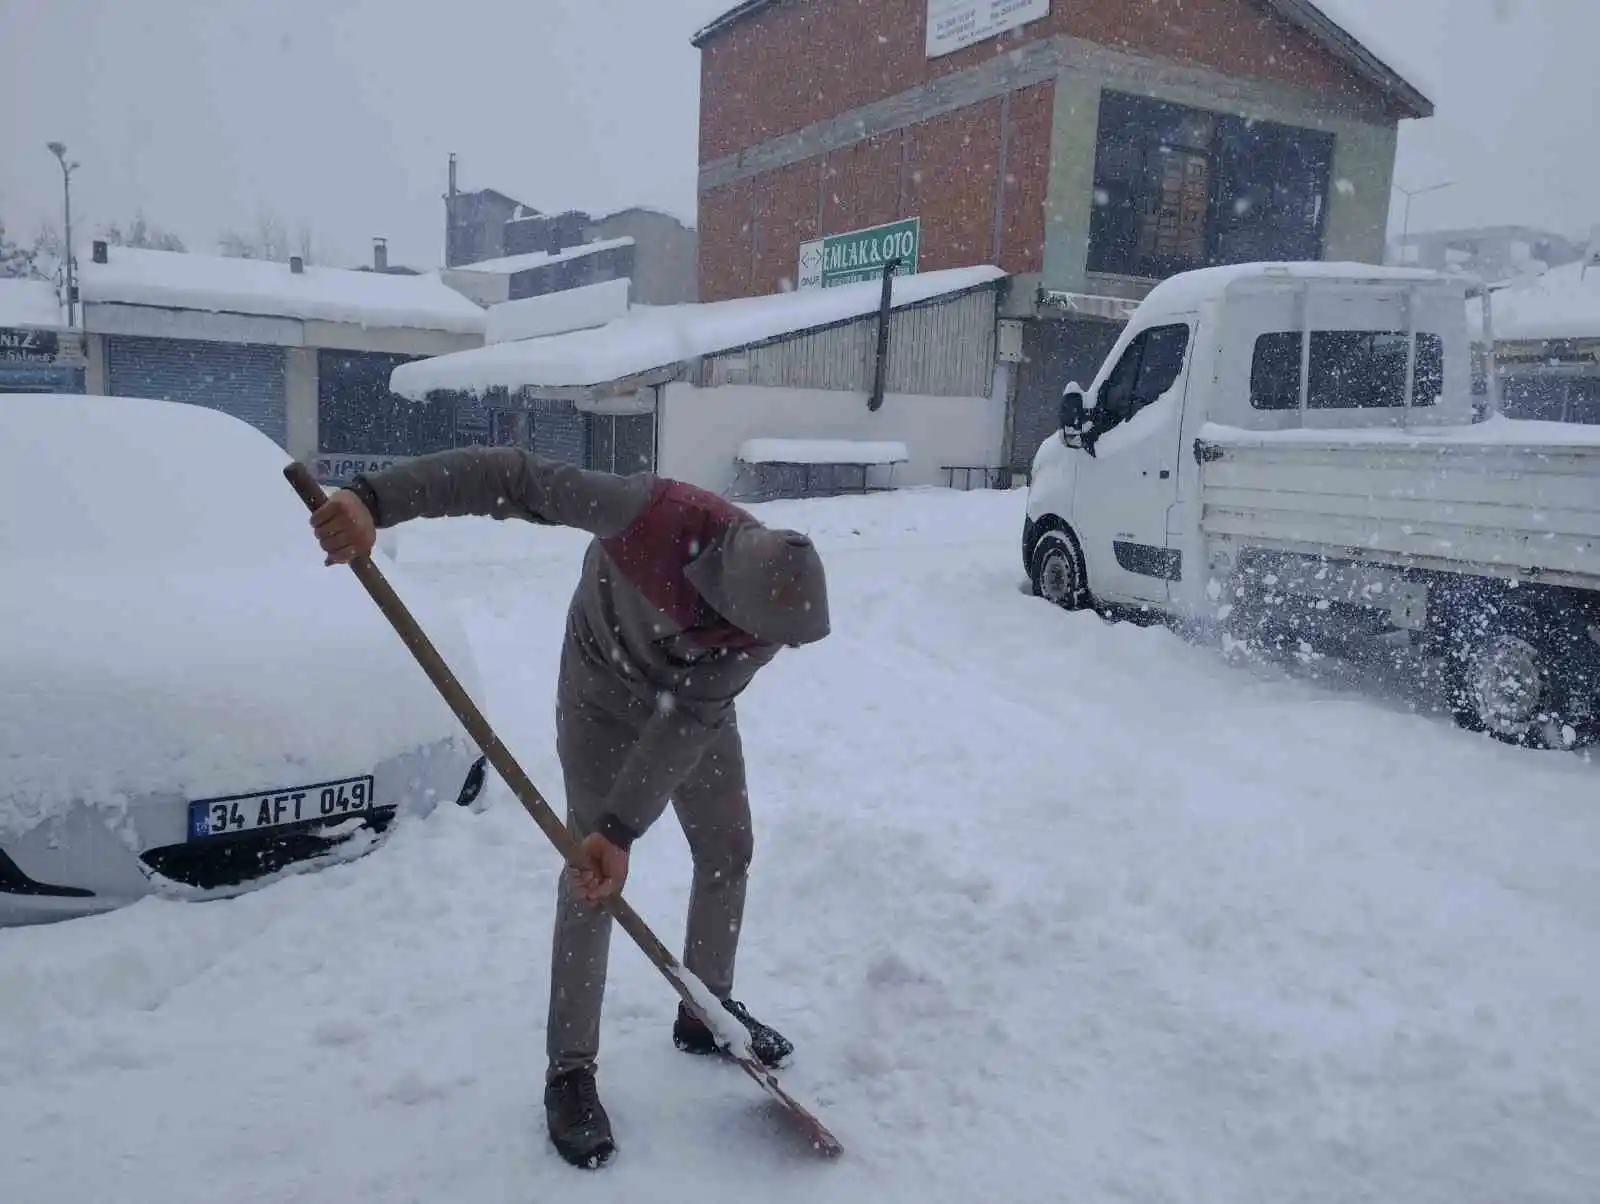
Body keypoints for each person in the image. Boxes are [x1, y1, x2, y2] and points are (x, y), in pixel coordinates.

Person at [306, 445, 831, 1169]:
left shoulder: (762, 623)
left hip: (692, 702)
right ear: (728, 601)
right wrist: (373, 498)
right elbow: (512, 477)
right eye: (764, 641)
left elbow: (688, 723)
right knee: (591, 879)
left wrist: (626, 825)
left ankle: (705, 1010)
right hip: (601, 694)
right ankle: (570, 1072)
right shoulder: (649, 515)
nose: (770, 654)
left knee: (727, 846)